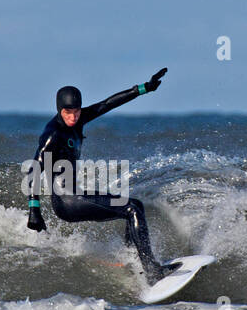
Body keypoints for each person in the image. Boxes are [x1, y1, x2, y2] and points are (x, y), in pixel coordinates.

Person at [26, 67, 175, 283]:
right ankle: (152, 270)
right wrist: (34, 208)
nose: (73, 116)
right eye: (68, 112)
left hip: (76, 194)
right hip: (67, 201)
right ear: (59, 110)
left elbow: (107, 104)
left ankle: (133, 260)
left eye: (76, 111)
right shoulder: (53, 134)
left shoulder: (79, 118)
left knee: (136, 206)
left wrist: (143, 89)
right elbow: (34, 168)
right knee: (131, 208)